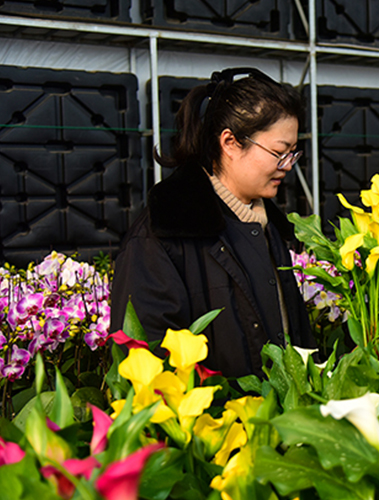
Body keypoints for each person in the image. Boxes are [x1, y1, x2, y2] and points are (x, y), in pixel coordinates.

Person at [110, 68, 315, 378]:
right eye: (278, 152)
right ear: (230, 142)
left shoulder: (268, 225)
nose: (286, 166)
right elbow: (145, 356)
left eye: (292, 154)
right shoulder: (165, 231)